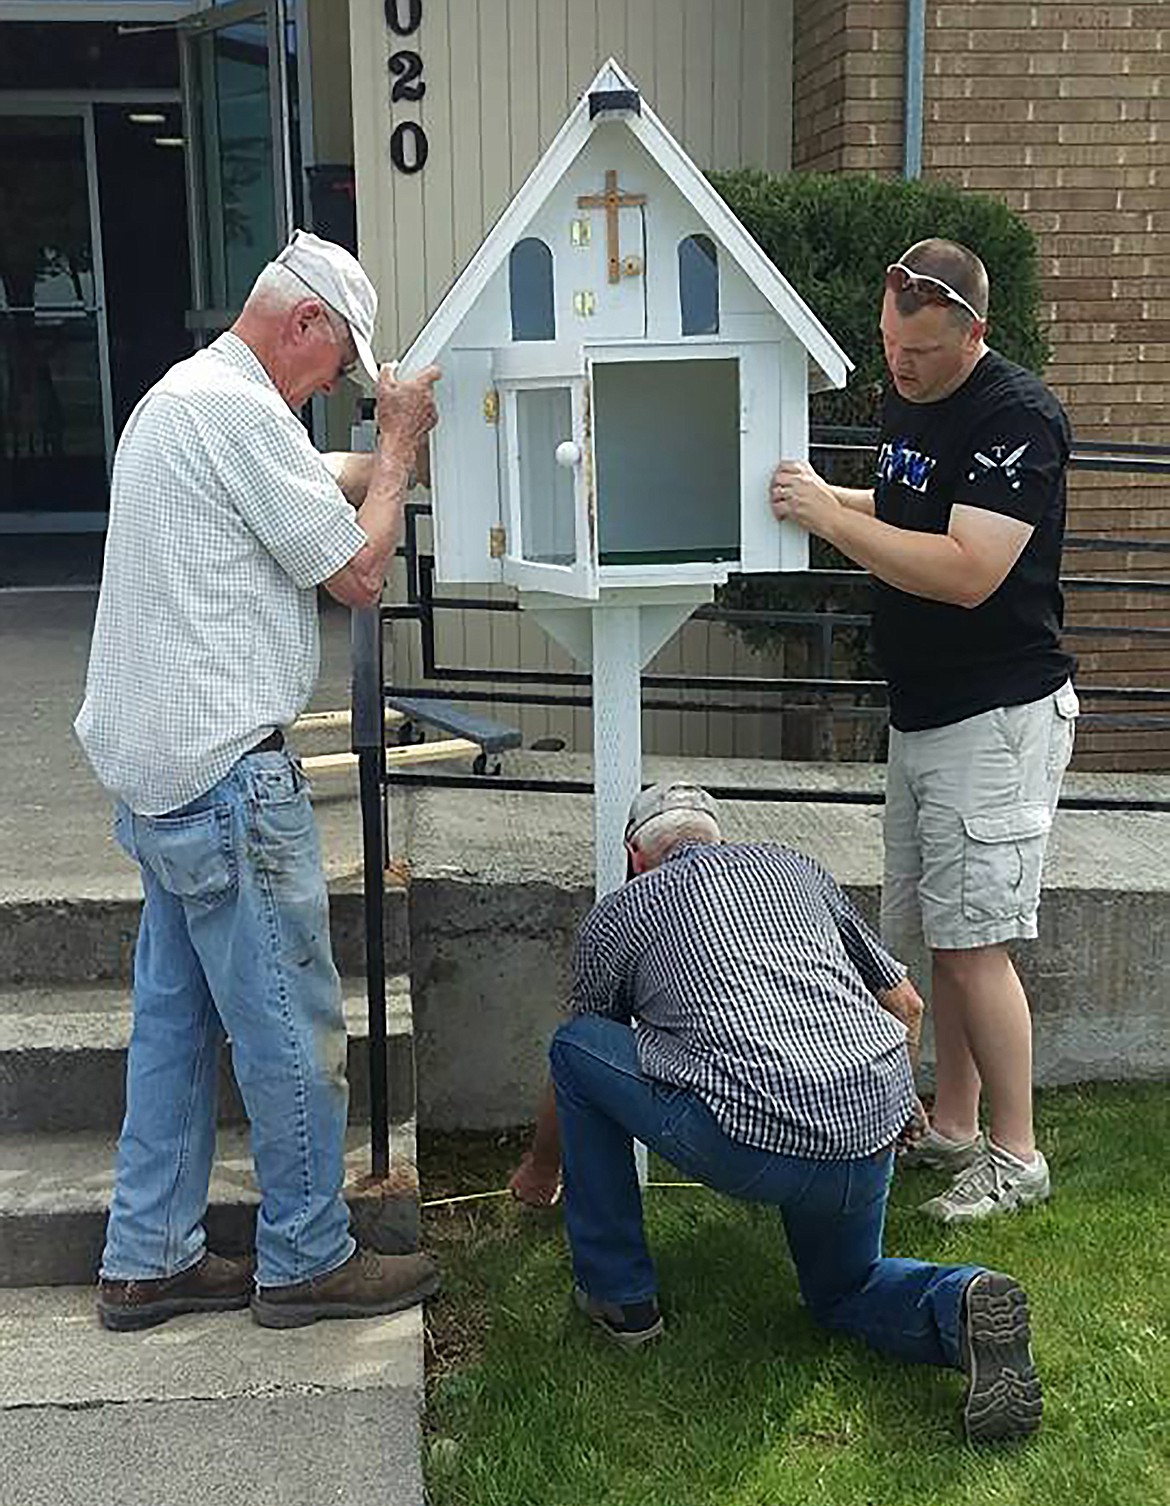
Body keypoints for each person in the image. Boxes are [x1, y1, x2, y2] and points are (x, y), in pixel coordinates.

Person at [76, 229, 442, 1331]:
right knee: (292, 1029)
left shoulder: (183, 398)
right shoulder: (238, 413)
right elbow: (359, 572)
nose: (336, 387)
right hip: (229, 784)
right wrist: (404, 453)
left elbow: (300, 485)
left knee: (177, 1033)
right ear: (306, 324)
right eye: (337, 366)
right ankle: (305, 1256)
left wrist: (369, 463)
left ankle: (147, 1255)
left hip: (158, 784)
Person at [510, 782, 1042, 1446]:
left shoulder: (621, 912)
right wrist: (894, 1116)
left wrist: (540, 1168)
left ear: (635, 857)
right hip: (869, 1127)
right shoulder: (797, 868)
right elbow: (905, 1005)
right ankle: (960, 1303)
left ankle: (619, 1299)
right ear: (719, 840)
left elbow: (593, 1056)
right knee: (844, 1288)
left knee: (575, 1046)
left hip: (747, 1142)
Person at [770, 238, 1077, 1224]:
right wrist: (818, 505)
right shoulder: (915, 394)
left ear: (974, 334)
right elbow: (903, 510)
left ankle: (1017, 1154)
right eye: (890, 349)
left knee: (980, 940)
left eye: (921, 357)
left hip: (996, 719)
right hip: (928, 714)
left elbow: (965, 565)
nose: (898, 371)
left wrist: (831, 517)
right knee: (945, 934)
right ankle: (951, 1125)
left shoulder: (1017, 418)